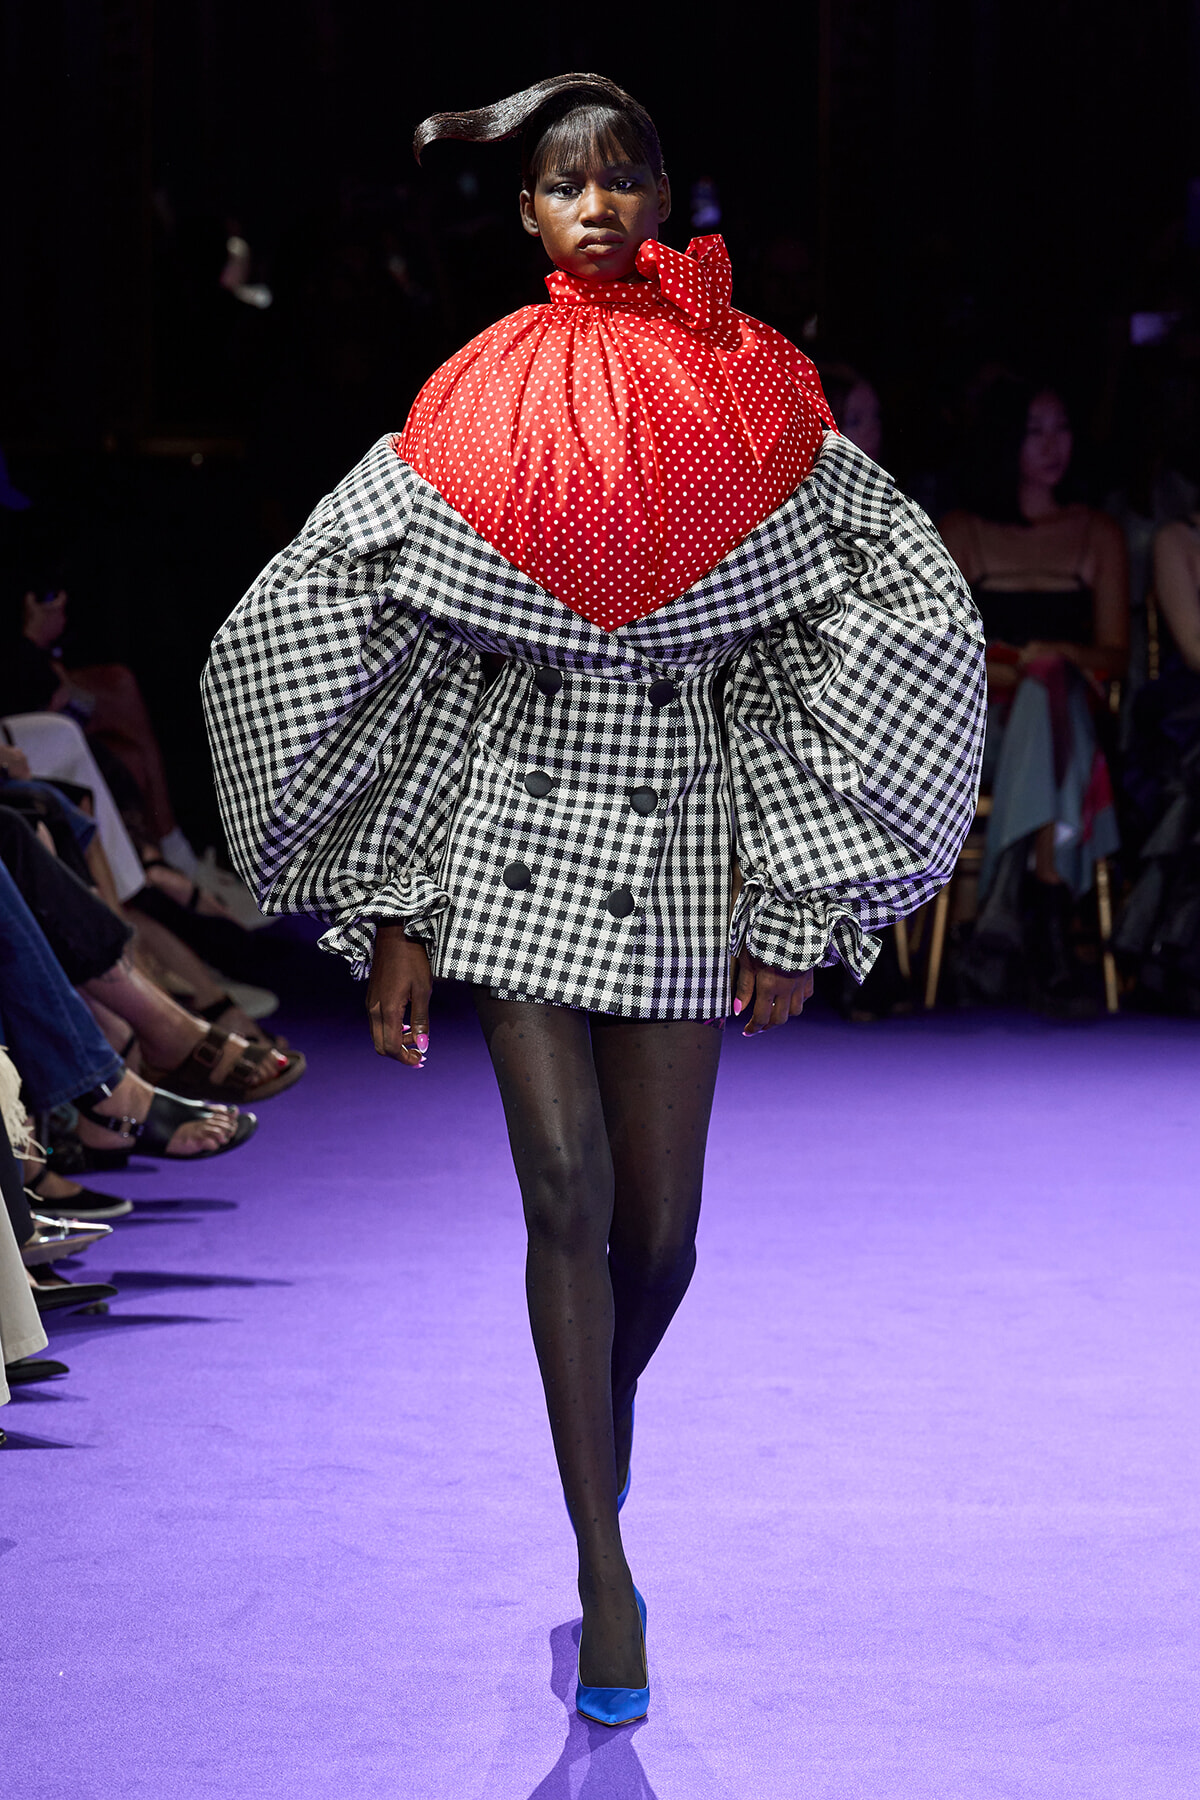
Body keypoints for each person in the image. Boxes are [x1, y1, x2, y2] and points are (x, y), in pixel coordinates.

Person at [204, 74, 985, 1724]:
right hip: (509, 832)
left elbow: (842, 632)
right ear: (527, 217)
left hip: (687, 836)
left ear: (662, 192)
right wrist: (404, 910)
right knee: (563, 1197)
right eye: (569, 183)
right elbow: (398, 645)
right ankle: (601, 1569)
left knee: (665, 1236)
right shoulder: (483, 388)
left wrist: (798, 902)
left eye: (628, 174)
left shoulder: (752, 379)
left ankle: (591, 1435)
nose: (605, 203)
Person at [940, 379, 1128, 1002]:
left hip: (1069, 719)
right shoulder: (964, 530)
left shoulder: (1096, 531)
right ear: (1004, 441)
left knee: (1053, 695)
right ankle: (1048, 908)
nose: (1054, 446)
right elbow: (938, 654)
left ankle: (1000, 916)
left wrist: (1058, 658)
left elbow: (1115, 655)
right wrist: (1015, 671)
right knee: (1039, 702)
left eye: (1063, 429)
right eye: (1035, 430)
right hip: (977, 732)